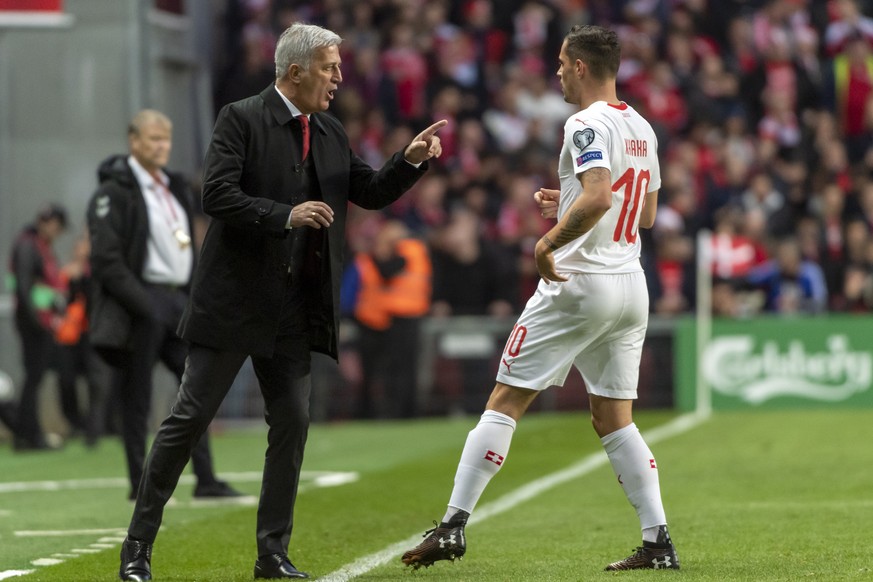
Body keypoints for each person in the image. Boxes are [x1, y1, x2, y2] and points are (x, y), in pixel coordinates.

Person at [119, 22, 445, 581]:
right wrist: (283, 215)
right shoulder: (240, 117)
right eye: (330, 67)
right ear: (295, 72)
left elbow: (365, 192)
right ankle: (137, 548)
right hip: (234, 303)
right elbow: (215, 193)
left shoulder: (330, 131)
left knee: (292, 423)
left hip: (297, 307)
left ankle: (272, 555)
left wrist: (409, 160)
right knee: (189, 418)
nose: (341, 77)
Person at [401, 24, 679, 572]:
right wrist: (568, 201)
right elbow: (642, 214)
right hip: (630, 284)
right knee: (614, 418)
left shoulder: (584, 123)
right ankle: (657, 542)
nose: (555, 72)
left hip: (579, 283)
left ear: (579, 65)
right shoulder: (640, 125)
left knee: (505, 400)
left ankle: (453, 525)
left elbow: (600, 195)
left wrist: (549, 238)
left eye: (559, 63)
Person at [86, 109, 242, 501]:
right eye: (152, 139)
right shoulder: (114, 191)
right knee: (136, 397)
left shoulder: (174, 187)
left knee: (196, 391)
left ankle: (205, 478)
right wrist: (144, 304)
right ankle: (138, 481)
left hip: (177, 299)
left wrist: (190, 295)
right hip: (143, 300)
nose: (160, 146)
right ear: (133, 141)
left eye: (165, 139)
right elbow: (106, 259)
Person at [342, 219, 432, 419]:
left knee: (396, 370)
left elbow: (387, 272)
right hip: (383, 319)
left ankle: (397, 412)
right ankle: (393, 412)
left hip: (398, 317)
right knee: (395, 369)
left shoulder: (407, 250)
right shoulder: (414, 250)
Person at [7, 204, 69, 451]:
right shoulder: (27, 244)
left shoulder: (39, 245)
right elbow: (22, 288)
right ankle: (27, 435)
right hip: (33, 323)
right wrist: (37, 322)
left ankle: (27, 433)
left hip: (40, 321)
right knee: (34, 377)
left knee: (35, 377)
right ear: (50, 223)